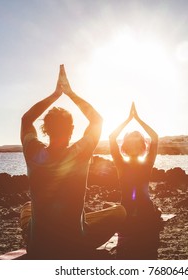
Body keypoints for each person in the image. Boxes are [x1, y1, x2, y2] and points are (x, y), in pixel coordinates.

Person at [20, 64, 125, 259]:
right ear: (71, 129)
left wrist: (55, 94)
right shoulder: (79, 153)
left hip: (39, 246)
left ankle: (32, 233)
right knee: (119, 212)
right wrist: (70, 93)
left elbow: (26, 119)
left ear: (45, 130)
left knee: (27, 208)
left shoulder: (33, 152)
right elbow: (97, 120)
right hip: (75, 243)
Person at [109, 103, 162, 259]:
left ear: (142, 146)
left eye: (137, 142)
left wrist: (137, 119)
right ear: (124, 146)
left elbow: (155, 138)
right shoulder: (121, 163)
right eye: (131, 142)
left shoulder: (146, 162)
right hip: (127, 218)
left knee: (147, 255)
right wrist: (129, 119)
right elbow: (112, 138)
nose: (134, 145)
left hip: (145, 217)